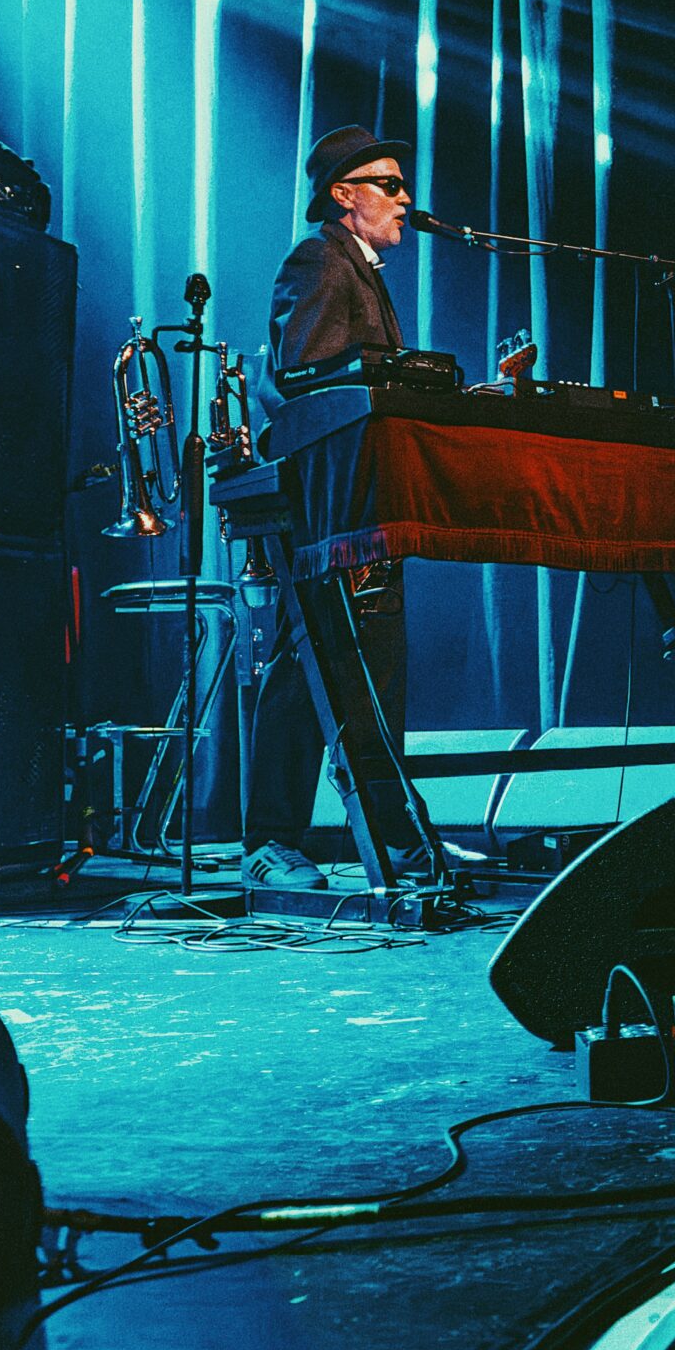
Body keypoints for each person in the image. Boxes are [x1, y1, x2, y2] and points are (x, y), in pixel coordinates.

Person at [241, 126, 418, 890]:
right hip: (328, 499)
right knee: (309, 658)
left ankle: (392, 836)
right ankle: (268, 841)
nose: (405, 198)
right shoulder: (319, 259)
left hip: (365, 495)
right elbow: (306, 379)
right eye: (389, 184)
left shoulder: (361, 267)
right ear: (345, 194)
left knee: (373, 663)